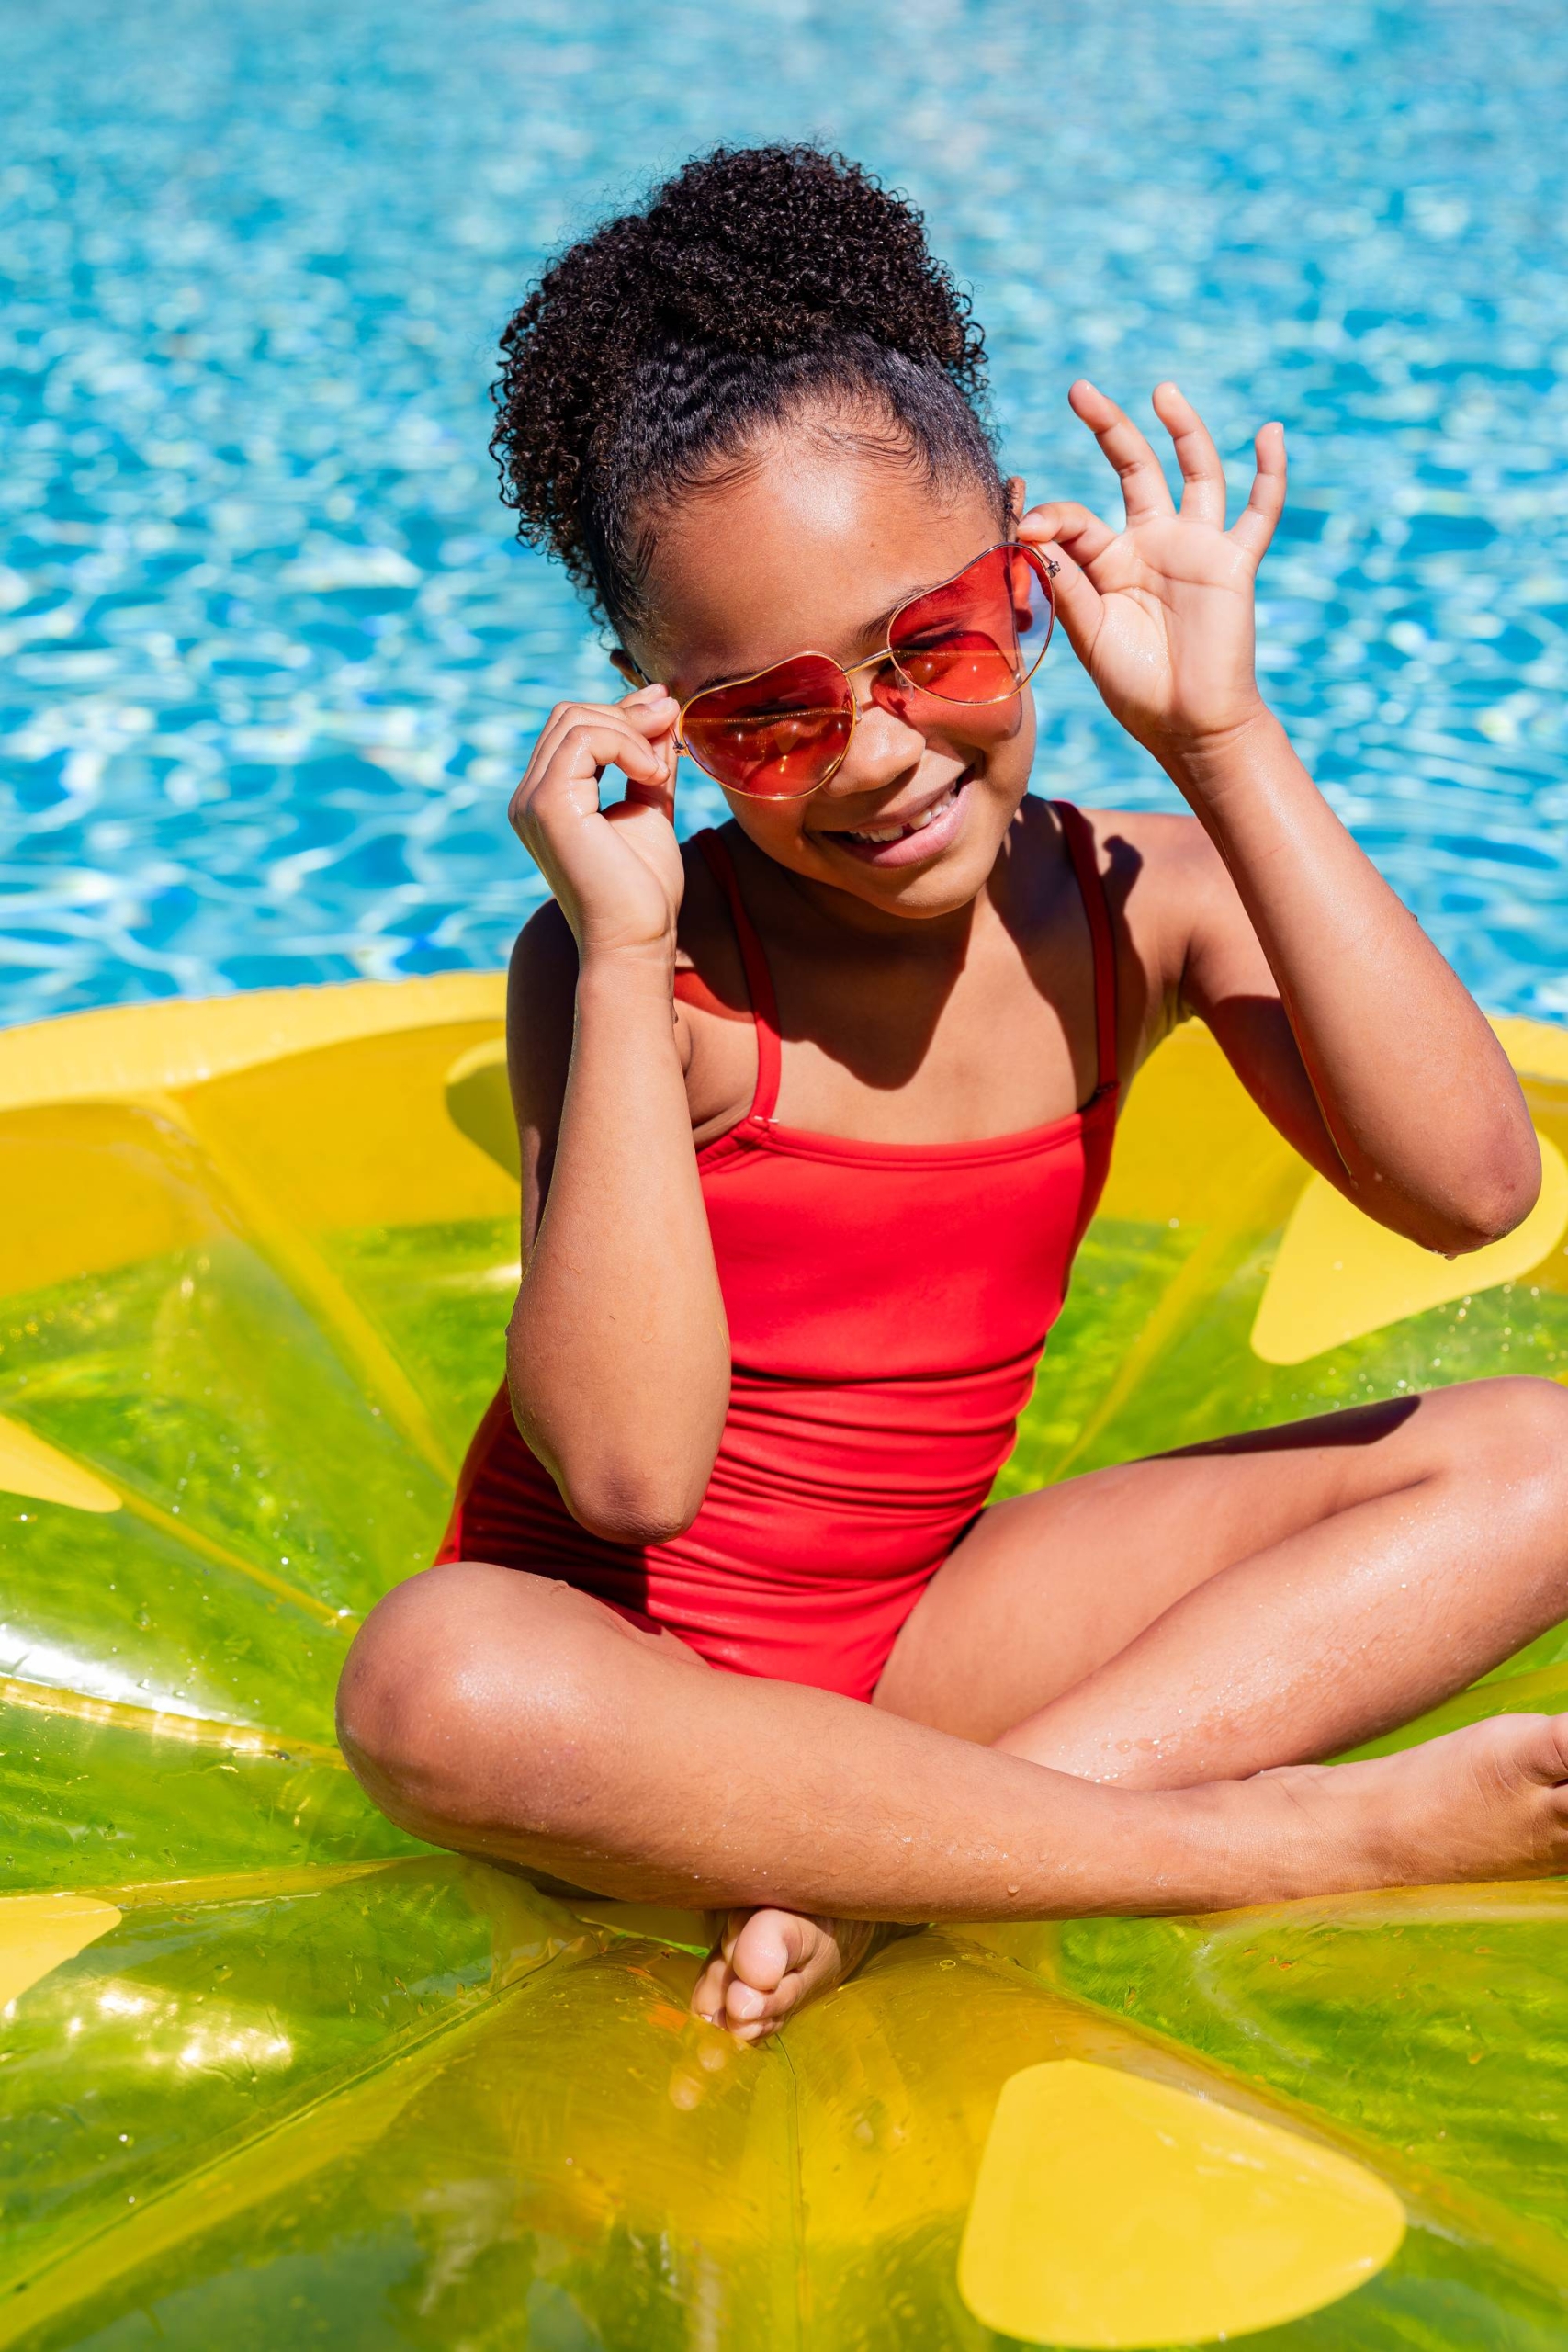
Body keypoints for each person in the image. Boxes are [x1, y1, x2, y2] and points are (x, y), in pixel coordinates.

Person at [337, 144, 1568, 2044]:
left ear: (1033, 559)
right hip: (624, 1716)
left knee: (1545, 1451)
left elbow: (1471, 1180)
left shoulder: (1129, 901)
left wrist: (1223, 741)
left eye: (936, 641)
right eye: (769, 713)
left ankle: (902, 1865)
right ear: (654, 708)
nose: (877, 754)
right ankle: (1264, 1839)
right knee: (431, 1678)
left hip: (921, 1658)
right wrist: (611, 952)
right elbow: (628, 1475)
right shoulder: (646, 972)